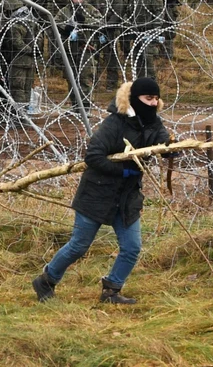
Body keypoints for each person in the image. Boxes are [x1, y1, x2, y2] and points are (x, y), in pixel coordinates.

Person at [32, 77, 170, 304]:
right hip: (97, 194)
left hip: (127, 197)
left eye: (156, 98)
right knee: (79, 245)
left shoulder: (152, 122)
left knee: (131, 248)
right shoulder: (114, 124)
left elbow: (162, 141)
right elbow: (93, 156)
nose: (154, 103)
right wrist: (123, 171)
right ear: (135, 99)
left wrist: (170, 150)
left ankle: (111, 291)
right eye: (148, 98)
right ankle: (46, 280)